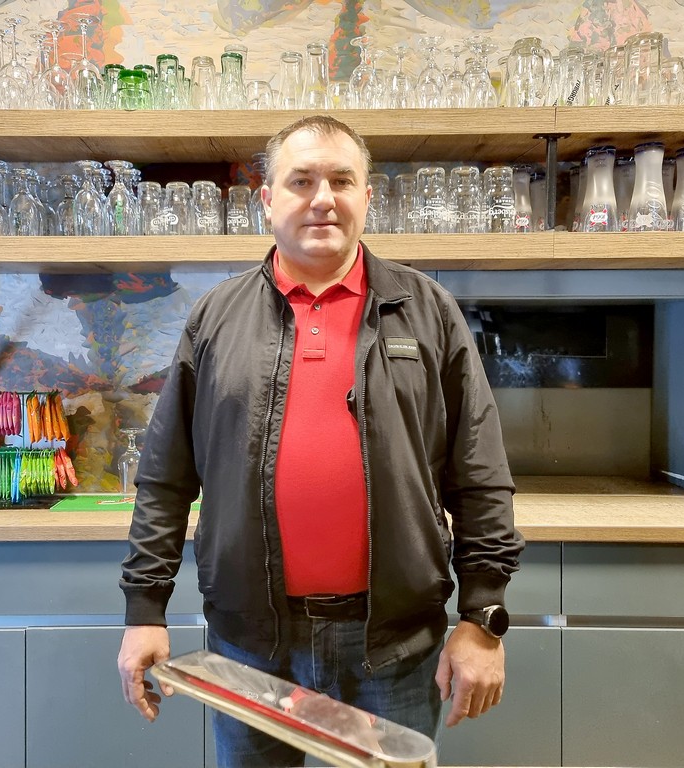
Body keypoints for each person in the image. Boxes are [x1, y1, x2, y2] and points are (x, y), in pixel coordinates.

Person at [117, 114, 524, 767]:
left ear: (368, 196)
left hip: (395, 645)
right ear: (267, 200)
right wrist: (145, 610)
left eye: (341, 180)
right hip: (251, 644)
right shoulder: (215, 319)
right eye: (301, 181)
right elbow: (166, 478)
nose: (323, 198)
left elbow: (479, 476)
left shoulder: (429, 311)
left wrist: (483, 617)